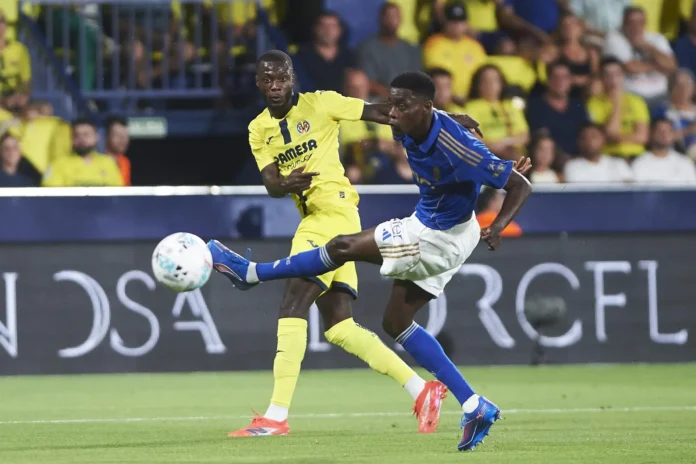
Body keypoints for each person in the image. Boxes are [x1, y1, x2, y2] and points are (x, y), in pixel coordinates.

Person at [207, 71, 533, 451]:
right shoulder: (410, 123)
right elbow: (395, 115)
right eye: (392, 104)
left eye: (401, 106)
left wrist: (499, 224)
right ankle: (472, 404)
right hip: (443, 228)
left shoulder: (455, 144)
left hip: (432, 235)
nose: (392, 113)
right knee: (390, 322)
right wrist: (451, 118)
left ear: (424, 107)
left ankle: (252, 275)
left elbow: (519, 184)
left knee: (340, 249)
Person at [602, 6, 677, 106]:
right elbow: (630, 67)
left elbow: (672, 64)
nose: (636, 27)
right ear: (623, 24)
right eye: (631, 23)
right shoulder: (614, 38)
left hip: (661, 96)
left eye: (640, 22)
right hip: (631, 97)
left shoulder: (657, 39)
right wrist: (660, 67)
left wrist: (646, 46)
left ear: (645, 23)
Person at [587, 57, 649, 159]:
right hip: (609, 156)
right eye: (608, 75)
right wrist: (617, 104)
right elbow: (607, 135)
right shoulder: (593, 104)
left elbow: (642, 137)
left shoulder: (637, 101)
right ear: (602, 78)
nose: (613, 79)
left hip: (636, 156)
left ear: (623, 76)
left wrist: (615, 138)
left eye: (617, 74)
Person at [423, 3, 487, 102]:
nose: (457, 25)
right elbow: (435, 74)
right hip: (445, 101)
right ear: (445, 21)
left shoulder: (475, 46)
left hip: (472, 100)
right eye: (452, 21)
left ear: (466, 23)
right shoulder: (434, 43)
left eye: (460, 21)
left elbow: (482, 75)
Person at [357, 2, 422, 100]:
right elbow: (368, 81)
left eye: (395, 16)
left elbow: (417, 79)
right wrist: (391, 96)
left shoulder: (410, 49)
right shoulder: (368, 47)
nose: (392, 20)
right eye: (388, 16)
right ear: (380, 19)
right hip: (379, 99)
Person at [464, 64, 529, 160]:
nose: (490, 84)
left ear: (501, 83)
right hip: (486, 155)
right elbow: (473, 137)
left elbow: (524, 135)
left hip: (513, 153)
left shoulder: (511, 105)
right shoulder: (471, 107)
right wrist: (494, 147)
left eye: (494, 80)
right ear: (477, 85)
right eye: (485, 80)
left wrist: (506, 143)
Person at [526, 61, 589, 156]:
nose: (560, 81)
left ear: (571, 81)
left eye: (565, 77)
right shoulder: (535, 106)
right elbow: (537, 139)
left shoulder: (578, 105)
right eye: (556, 77)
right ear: (548, 80)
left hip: (579, 159)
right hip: (549, 159)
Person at [42, 118, 124, 187]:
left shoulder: (108, 163)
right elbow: (51, 195)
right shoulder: (58, 164)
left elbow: (118, 192)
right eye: (76, 135)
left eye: (86, 135)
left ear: (96, 137)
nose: (81, 139)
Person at [294, 11, 355, 92]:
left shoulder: (348, 55)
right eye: (323, 26)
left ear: (340, 30)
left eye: (332, 26)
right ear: (315, 29)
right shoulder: (302, 55)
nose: (328, 31)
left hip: (343, 98)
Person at [563, 123, 634, 183]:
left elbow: (630, 189)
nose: (589, 141)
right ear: (579, 142)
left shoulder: (618, 164)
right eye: (584, 138)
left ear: (603, 140)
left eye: (594, 137)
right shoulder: (572, 166)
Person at [632, 118, 696, 184]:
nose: (664, 135)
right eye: (660, 131)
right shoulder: (640, 163)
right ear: (651, 133)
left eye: (669, 131)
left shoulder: (685, 162)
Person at [104, 115, 132, 186]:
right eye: (118, 135)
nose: (123, 139)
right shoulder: (94, 161)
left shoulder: (125, 161)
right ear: (106, 136)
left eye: (126, 135)